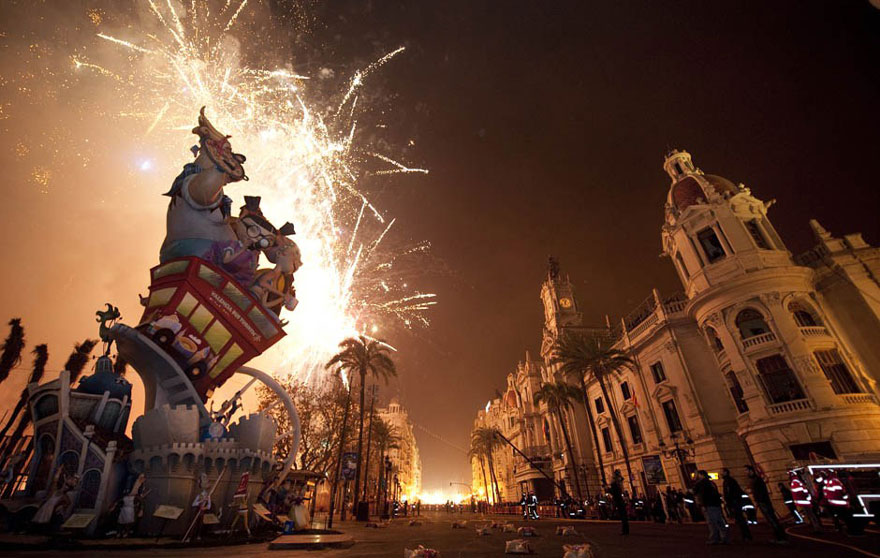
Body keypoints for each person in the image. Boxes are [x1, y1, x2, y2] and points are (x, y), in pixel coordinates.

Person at [745, 465, 787, 544]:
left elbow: (760, 492)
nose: (746, 472)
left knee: (772, 520)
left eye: (747, 471)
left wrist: (758, 499)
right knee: (771, 520)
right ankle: (779, 537)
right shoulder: (755, 480)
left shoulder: (757, 480)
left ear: (751, 471)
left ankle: (781, 538)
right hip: (762, 502)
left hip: (763, 502)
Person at [694, 470, 728, 545]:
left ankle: (714, 538)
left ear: (701, 475)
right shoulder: (711, 482)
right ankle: (724, 537)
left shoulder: (701, 483)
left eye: (697, 474)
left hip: (708, 504)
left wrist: (701, 504)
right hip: (716, 503)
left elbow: (697, 493)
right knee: (719, 521)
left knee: (712, 522)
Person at [721, 468, 752, 541]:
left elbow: (730, 493)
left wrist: (729, 502)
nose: (720, 474)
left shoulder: (728, 481)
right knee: (739, 519)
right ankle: (745, 535)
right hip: (735, 501)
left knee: (740, 519)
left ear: (725, 472)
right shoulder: (728, 481)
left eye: (721, 472)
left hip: (735, 502)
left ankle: (746, 535)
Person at [609, 470, 629, 535]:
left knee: (623, 515)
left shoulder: (615, 483)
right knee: (623, 516)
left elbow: (614, 492)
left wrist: (608, 489)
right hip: (619, 499)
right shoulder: (618, 482)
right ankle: (625, 530)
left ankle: (625, 531)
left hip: (618, 500)